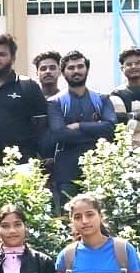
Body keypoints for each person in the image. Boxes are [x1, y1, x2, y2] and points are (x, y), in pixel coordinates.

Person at [46, 50, 117, 208]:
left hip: (100, 169)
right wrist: (96, 132)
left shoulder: (102, 99)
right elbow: (60, 134)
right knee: (68, 217)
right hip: (67, 172)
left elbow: (111, 128)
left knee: (101, 215)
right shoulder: (55, 102)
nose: (76, 71)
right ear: (63, 72)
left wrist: (79, 125)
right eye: (71, 68)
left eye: (80, 66)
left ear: (87, 69)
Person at [0, 34, 48, 163]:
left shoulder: (28, 86)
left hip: (22, 163)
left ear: (13, 58)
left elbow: (42, 126)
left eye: (2, 54)